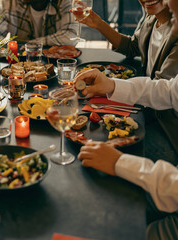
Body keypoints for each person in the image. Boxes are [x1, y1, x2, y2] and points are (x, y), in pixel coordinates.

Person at [74, 0, 178, 235]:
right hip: (149, 118)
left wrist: (119, 163)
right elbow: (168, 90)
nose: (175, 27)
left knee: (114, 208)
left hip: (167, 132)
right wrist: (110, 84)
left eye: (176, 15)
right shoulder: (152, 18)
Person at [72, 0, 178, 80]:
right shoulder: (152, 20)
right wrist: (99, 24)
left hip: (158, 105)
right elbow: (132, 47)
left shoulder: (175, 33)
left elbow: (162, 88)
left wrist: (111, 85)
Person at [0, 0, 79, 46]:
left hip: (55, 64)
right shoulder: (11, 2)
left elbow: (71, 36)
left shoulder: (64, 2)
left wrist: (33, 43)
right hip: (19, 66)